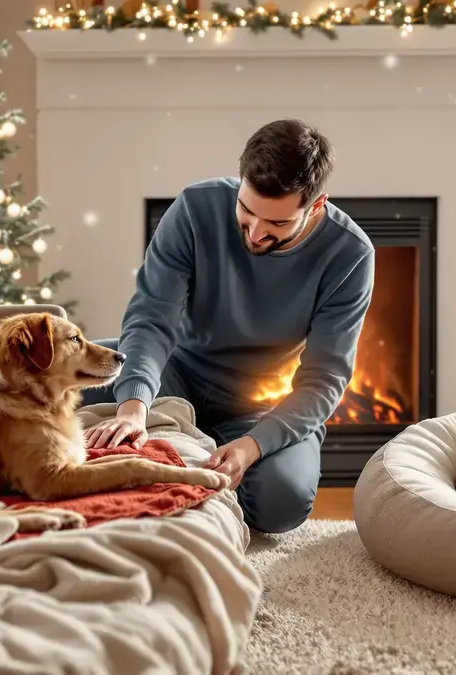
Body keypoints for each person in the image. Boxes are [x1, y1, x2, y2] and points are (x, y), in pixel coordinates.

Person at [80, 118, 375, 534]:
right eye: (247, 210)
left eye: (277, 224)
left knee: (283, 502)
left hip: (262, 404)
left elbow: (324, 379)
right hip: (175, 373)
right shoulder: (194, 208)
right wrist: (133, 409)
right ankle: (179, 458)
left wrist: (252, 447)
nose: (255, 233)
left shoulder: (350, 254)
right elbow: (152, 316)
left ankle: (196, 465)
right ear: (241, 182)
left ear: (317, 205)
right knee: (47, 385)